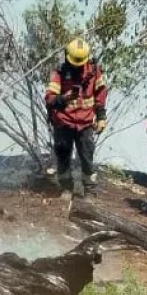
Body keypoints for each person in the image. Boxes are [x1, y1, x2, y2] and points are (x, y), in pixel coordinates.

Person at [44, 38, 107, 194]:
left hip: (85, 124)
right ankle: (66, 188)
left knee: (87, 156)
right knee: (63, 156)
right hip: (64, 122)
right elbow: (49, 98)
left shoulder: (93, 71)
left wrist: (101, 117)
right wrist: (63, 99)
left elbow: (100, 94)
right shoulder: (59, 71)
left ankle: (89, 188)